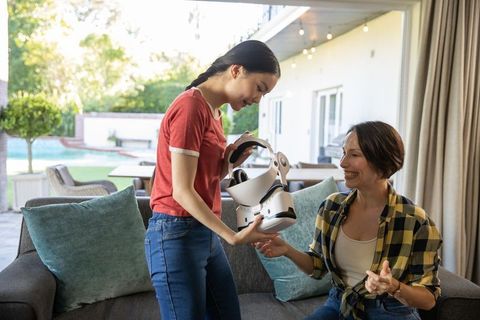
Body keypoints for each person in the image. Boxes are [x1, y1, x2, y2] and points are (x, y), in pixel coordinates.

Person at [145, 40, 281, 320]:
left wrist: (229, 164)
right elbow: (181, 192)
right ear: (236, 70)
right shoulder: (190, 107)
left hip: (202, 232)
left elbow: (200, 182)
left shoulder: (214, 113)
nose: (258, 99)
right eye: (260, 88)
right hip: (176, 232)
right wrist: (232, 235)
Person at [256, 121, 442, 320]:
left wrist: (393, 287)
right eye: (344, 153)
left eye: (354, 155)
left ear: (382, 160)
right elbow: (317, 267)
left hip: (391, 310)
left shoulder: (416, 221)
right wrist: (286, 249)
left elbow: (428, 298)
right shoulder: (331, 207)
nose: (343, 163)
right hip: (340, 304)